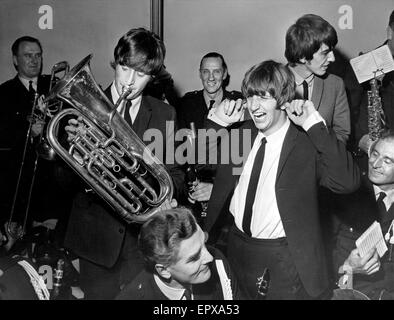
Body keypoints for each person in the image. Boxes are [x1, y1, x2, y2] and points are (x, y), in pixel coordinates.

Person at [198, 60, 360, 299]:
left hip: (281, 256)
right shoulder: (243, 134)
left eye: (264, 97)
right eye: (251, 96)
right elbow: (202, 160)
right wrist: (217, 122)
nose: (254, 106)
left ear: (283, 100)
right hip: (235, 245)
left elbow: (347, 181)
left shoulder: (306, 143)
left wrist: (314, 124)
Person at [63, 27, 185, 299]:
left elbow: (177, 176)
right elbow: (59, 182)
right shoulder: (81, 105)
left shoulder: (165, 113)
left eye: (141, 75)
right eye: (125, 69)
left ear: (152, 77)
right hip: (95, 239)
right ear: (115, 64)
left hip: (141, 240)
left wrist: (159, 182)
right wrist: (76, 159)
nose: (130, 81)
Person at [0, 36, 74, 247]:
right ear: (15, 60)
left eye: (38, 55)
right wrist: (28, 132)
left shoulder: (55, 86)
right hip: (20, 184)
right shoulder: (3, 94)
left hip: (55, 181)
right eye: (27, 56)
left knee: (56, 245)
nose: (34, 60)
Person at [116, 207, 244, 300]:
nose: (210, 257)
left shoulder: (217, 260)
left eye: (204, 244)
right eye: (194, 258)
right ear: (163, 271)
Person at [331, 130, 394, 299]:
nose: (375, 163)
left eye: (387, 160)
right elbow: (321, 267)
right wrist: (348, 268)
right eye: (374, 154)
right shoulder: (346, 195)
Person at [285, 14, 351, 144]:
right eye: (325, 53)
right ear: (302, 56)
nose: (333, 58)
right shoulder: (271, 82)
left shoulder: (335, 84)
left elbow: (342, 134)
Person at [353, 10, 394, 159]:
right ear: (390, 32)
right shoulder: (364, 65)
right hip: (374, 160)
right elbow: (345, 116)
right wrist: (360, 140)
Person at [177, 52, 244, 130]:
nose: (211, 78)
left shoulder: (237, 101)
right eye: (206, 72)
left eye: (216, 72)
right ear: (200, 74)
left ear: (224, 74)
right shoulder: (186, 104)